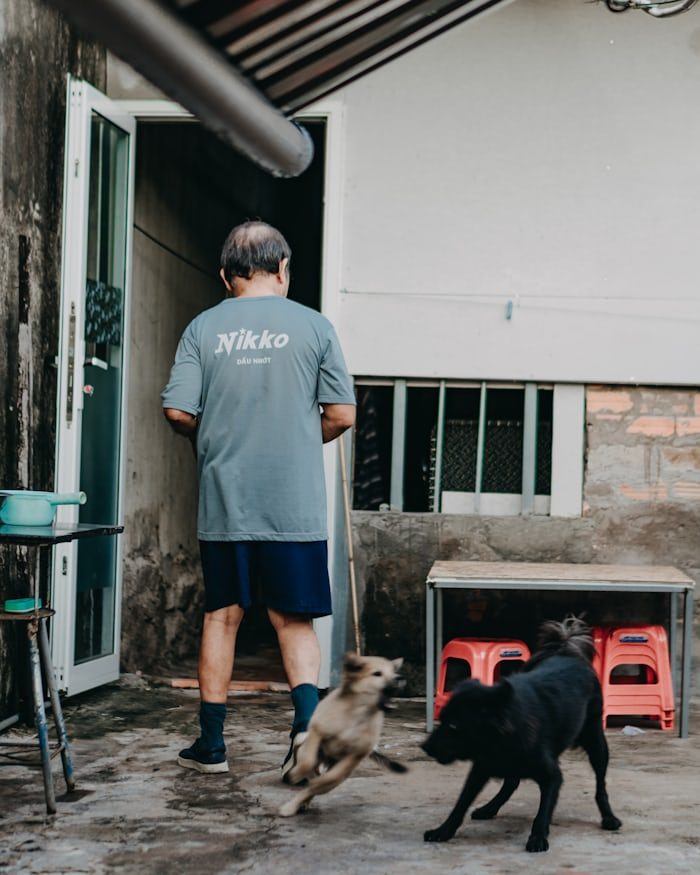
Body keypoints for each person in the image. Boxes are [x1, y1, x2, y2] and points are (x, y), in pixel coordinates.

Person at [161, 220, 356, 777]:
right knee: (293, 620)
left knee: (222, 616)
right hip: (294, 502)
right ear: (284, 268)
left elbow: (178, 410)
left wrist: (212, 442)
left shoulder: (203, 328)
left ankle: (212, 746)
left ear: (226, 276)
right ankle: (306, 728)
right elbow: (342, 414)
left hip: (227, 499)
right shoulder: (315, 326)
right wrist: (298, 439)